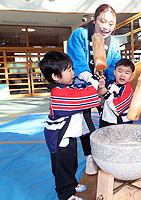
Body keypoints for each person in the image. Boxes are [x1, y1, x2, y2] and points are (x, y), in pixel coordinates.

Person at [39, 51, 102, 200]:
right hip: (60, 139)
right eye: (69, 70)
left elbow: (80, 92)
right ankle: (66, 193)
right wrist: (92, 82)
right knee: (62, 167)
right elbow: (82, 98)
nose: (73, 73)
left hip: (70, 136)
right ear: (55, 76)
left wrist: (93, 82)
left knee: (71, 163)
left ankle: (71, 184)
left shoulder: (67, 88)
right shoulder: (58, 93)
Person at [67, 4, 121, 175]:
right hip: (81, 83)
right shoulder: (79, 35)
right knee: (85, 119)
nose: (106, 27)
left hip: (102, 85)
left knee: (109, 116)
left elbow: (113, 67)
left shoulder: (114, 44)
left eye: (111, 24)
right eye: (102, 21)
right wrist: (91, 79)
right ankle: (90, 155)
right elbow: (77, 61)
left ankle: (107, 152)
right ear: (94, 20)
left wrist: (108, 81)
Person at [98, 58, 134, 127]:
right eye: (120, 71)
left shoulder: (127, 89)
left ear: (131, 76)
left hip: (121, 123)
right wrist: (100, 87)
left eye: (127, 73)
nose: (123, 75)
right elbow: (101, 101)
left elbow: (117, 107)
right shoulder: (109, 83)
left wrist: (106, 94)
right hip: (105, 120)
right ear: (114, 72)